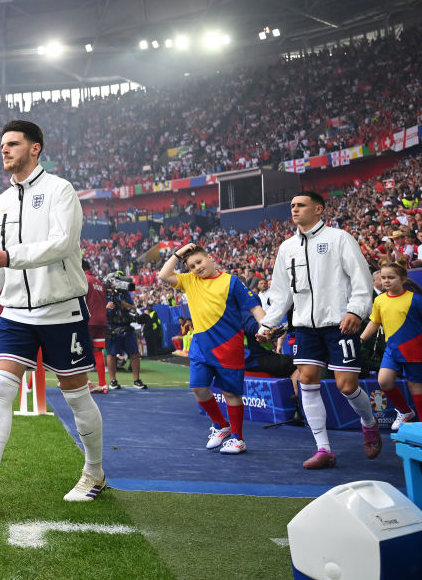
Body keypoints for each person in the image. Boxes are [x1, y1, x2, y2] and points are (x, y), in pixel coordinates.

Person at [0, 119, 106, 514]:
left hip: (62, 309)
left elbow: (62, 244)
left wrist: (10, 256)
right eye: (2, 144)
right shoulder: (1, 202)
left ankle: (95, 472)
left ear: (35, 148)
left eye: (13, 143)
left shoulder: (60, 190)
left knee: (75, 395)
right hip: (17, 313)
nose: (5, 150)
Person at [257, 191, 377, 469]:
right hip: (304, 327)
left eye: (301, 205)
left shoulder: (340, 239)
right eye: (292, 206)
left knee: (347, 386)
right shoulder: (286, 247)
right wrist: (267, 325)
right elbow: (281, 292)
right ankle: (324, 449)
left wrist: (355, 311)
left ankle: (368, 422)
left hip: (340, 323)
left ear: (319, 209)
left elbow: (362, 280)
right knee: (306, 381)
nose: (295, 210)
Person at [159, 244, 266, 454]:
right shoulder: (190, 281)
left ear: (210, 257)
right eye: (191, 266)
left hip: (229, 345)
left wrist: (265, 327)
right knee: (198, 387)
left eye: (199, 262)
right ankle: (220, 425)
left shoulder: (231, 282)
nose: (197, 268)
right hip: (201, 346)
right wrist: (179, 253)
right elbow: (164, 274)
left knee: (231, 393)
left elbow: (255, 307)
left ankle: (238, 439)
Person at [360, 262, 422, 431]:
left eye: (391, 277)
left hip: (414, 350)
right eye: (383, 277)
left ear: (403, 279)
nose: (386, 281)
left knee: (415, 386)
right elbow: (374, 322)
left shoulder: (416, 299)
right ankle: (405, 411)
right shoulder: (379, 300)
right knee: (384, 382)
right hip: (392, 350)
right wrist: (361, 339)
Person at [106, 283, 147, 390]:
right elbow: (98, 310)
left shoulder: (125, 293)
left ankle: (137, 380)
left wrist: (126, 305)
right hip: (112, 327)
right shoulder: (104, 294)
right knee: (111, 354)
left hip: (127, 327)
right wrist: (106, 307)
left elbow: (134, 307)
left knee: (134, 354)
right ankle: (113, 380)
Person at [83, 260, 109, 393]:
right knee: (98, 352)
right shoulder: (99, 283)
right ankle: (103, 384)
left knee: (80, 350)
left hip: (89, 320)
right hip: (101, 320)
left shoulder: (83, 279)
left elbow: (81, 300)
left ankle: (86, 382)